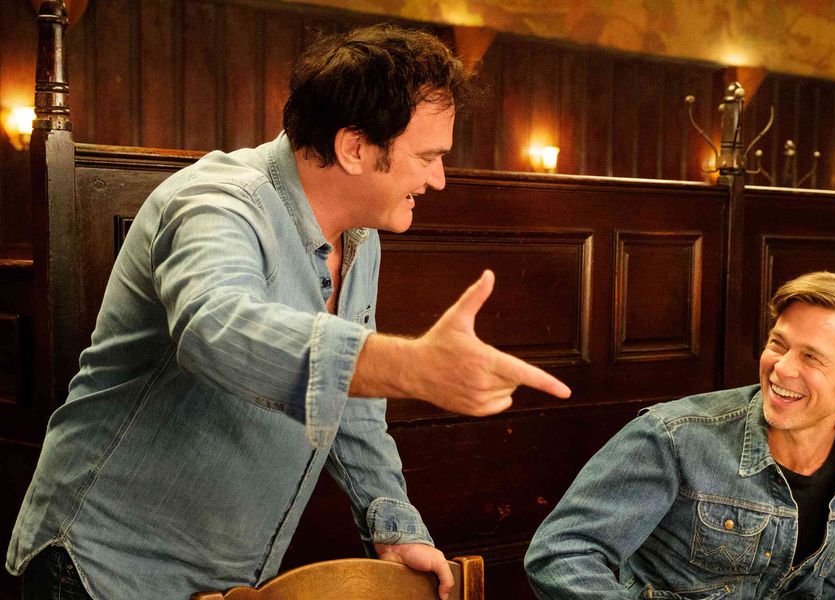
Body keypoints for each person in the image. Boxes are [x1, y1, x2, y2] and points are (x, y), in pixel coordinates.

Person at [7, 25, 570, 600]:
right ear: (354, 148)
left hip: (227, 580)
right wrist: (410, 366)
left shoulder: (361, 236)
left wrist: (393, 526)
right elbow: (215, 330)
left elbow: (352, 406)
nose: (439, 179)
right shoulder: (217, 201)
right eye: (427, 157)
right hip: (101, 568)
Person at [525, 272, 835, 599]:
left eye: (811, 357)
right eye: (778, 344)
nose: (781, 368)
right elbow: (562, 552)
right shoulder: (673, 437)